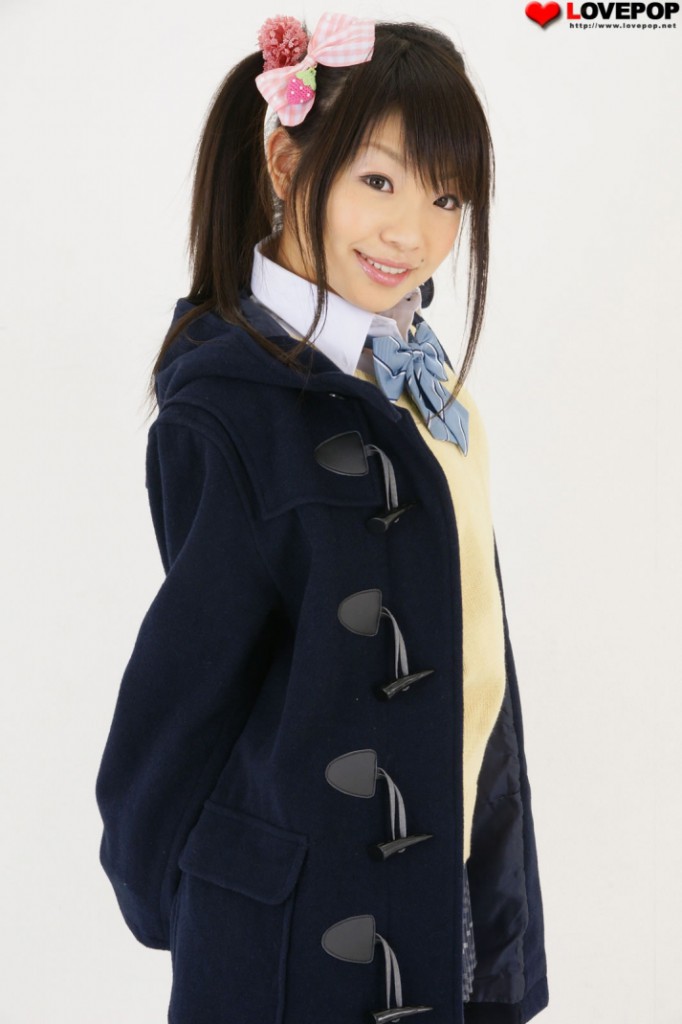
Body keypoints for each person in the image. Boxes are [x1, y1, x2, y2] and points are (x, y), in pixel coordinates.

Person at [95, 12, 549, 1024]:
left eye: (446, 197)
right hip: (297, 940)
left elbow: (481, 673)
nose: (412, 234)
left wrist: (502, 924)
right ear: (287, 161)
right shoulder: (227, 408)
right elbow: (178, 700)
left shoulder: (433, 392)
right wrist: (194, 897)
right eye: (378, 181)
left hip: (441, 905)